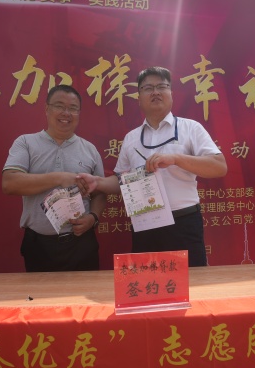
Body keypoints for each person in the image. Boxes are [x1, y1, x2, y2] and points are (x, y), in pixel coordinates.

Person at [78, 66, 227, 267]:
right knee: (147, 282)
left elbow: (219, 166)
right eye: (148, 88)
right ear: (139, 98)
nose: (155, 92)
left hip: (183, 223)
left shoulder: (190, 128)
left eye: (161, 87)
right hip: (144, 223)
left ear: (171, 93)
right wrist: (97, 183)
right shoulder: (131, 138)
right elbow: (121, 180)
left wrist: (175, 159)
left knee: (192, 281)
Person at [2, 85, 106, 272]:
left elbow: (100, 193)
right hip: (39, 245)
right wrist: (59, 178)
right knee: (40, 291)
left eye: (73, 108)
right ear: (46, 108)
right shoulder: (26, 143)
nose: (66, 113)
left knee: (85, 291)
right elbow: (9, 183)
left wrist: (93, 218)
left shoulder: (90, 149)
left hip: (81, 242)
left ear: (79, 113)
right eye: (59, 106)